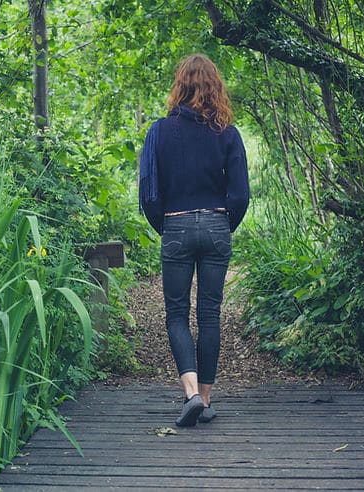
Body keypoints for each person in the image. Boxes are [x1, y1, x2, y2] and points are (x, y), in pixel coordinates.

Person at [139, 53, 250, 427]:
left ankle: (189, 394)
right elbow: (240, 195)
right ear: (215, 86)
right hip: (218, 225)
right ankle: (205, 398)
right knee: (210, 315)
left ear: (179, 86)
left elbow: (148, 194)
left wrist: (168, 226)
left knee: (176, 314)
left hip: (177, 226)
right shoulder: (229, 134)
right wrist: (221, 226)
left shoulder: (159, 131)